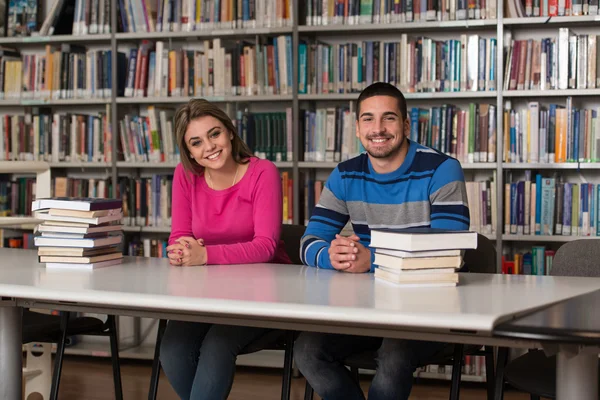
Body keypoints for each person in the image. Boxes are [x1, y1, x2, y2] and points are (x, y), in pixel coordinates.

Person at [294, 82, 470, 400]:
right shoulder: (346, 175)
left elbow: (449, 250)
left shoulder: (442, 169)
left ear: (404, 124)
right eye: (368, 119)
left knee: (394, 354)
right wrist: (332, 256)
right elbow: (309, 242)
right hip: (367, 311)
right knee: (307, 350)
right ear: (358, 127)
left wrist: (371, 259)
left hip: (429, 312)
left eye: (388, 118)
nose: (378, 129)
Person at [160, 98, 291, 400]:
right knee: (173, 349)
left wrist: (204, 255)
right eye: (196, 142)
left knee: (217, 345)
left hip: (264, 292)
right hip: (207, 293)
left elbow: (266, 247)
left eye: (214, 134)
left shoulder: (263, 172)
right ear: (188, 151)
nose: (209, 147)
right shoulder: (186, 176)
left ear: (230, 132)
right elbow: (180, 233)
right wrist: (179, 250)